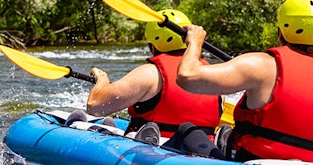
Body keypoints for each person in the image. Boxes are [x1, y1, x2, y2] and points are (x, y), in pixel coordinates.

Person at [175, 0, 313, 165]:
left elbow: (187, 76)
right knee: (226, 134)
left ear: (280, 31)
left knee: (187, 130)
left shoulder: (260, 65)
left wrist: (194, 43)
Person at [85, 9, 223, 156]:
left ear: (153, 46)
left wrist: (102, 81)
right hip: (203, 150)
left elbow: (95, 107)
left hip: (156, 153)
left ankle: (146, 139)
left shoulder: (150, 73)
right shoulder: (214, 75)